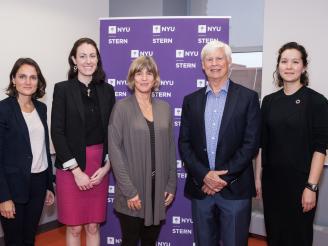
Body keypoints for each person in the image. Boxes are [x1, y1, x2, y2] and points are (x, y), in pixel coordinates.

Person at [178, 40, 261, 246]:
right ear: (203, 65)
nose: (214, 63)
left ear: (229, 62)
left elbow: (251, 143)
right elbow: (184, 143)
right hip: (201, 189)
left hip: (235, 189)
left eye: (219, 58)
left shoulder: (248, 98)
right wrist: (205, 176)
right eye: (209, 59)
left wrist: (221, 178)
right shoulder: (191, 100)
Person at [255, 42, 328, 246]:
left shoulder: (317, 102)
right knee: (275, 238)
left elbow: (320, 148)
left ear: (303, 67)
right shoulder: (269, 101)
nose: (289, 66)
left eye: (295, 61)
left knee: (298, 239)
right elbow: (263, 143)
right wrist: (258, 179)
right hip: (272, 185)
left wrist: (311, 187)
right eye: (284, 61)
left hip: (301, 185)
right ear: (278, 66)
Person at [51, 37, 115, 246]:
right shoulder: (62, 89)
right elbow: (57, 133)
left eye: (92, 56)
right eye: (82, 56)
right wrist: (76, 172)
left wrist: (107, 167)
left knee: (93, 225)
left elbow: (112, 134)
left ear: (98, 59)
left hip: (100, 166)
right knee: (75, 227)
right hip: (71, 167)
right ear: (74, 60)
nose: (88, 61)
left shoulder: (107, 91)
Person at [108, 56, 176, 246]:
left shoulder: (164, 108)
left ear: (156, 78)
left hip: (158, 191)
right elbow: (115, 152)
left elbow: (170, 147)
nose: (144, 78)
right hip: (133, 192)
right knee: (129, 241)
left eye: (149, 73)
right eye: (139, 73)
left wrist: (171, 184)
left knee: (150, 242)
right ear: (132, 78)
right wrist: (129, 191)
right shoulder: (121, 108)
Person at [0, 58, 55, 246]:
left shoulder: (41, 108)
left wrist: (49, 185)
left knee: (29, 238)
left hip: (38, 183)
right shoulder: (3, 109)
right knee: (14, 241)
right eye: (22, 76)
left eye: (33, 77)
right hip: (13, 186)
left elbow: (43, 149)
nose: (28, 82)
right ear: (13, 79)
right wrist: (3, 197)